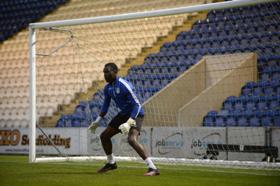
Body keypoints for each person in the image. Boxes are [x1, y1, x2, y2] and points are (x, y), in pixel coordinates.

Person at [88, 62, 159, 176]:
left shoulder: (124, 85)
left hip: (136, 114)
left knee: (131, 140)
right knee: (104, 136)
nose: (105, 75)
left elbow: (137, 105)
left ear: (115, 72)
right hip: (123, 114)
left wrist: (129, 122)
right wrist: (97, 121)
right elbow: (105, 106)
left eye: (107, 72)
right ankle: (111, 163)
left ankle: (153, 168)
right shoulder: (108, 88)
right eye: (104, 72)